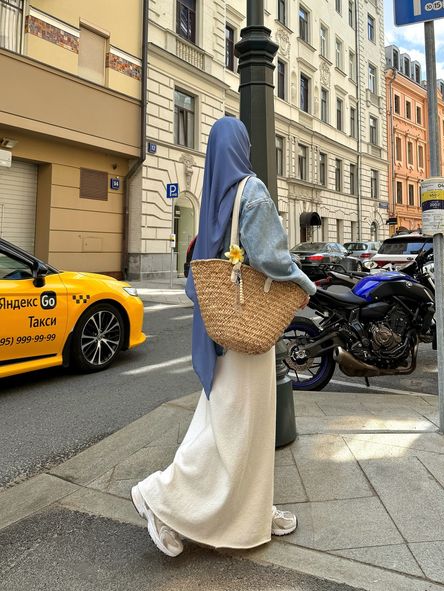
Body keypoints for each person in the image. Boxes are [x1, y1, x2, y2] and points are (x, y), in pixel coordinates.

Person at [131, 117, 316, 557]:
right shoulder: (251, 190)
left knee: (223, 420)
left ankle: (253, 509)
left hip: (222, 328)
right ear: (244, 148)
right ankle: (160, 497)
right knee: (238, 427)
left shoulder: (214, 193)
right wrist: (306, 286)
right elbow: (271, 258)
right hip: (249, 330)